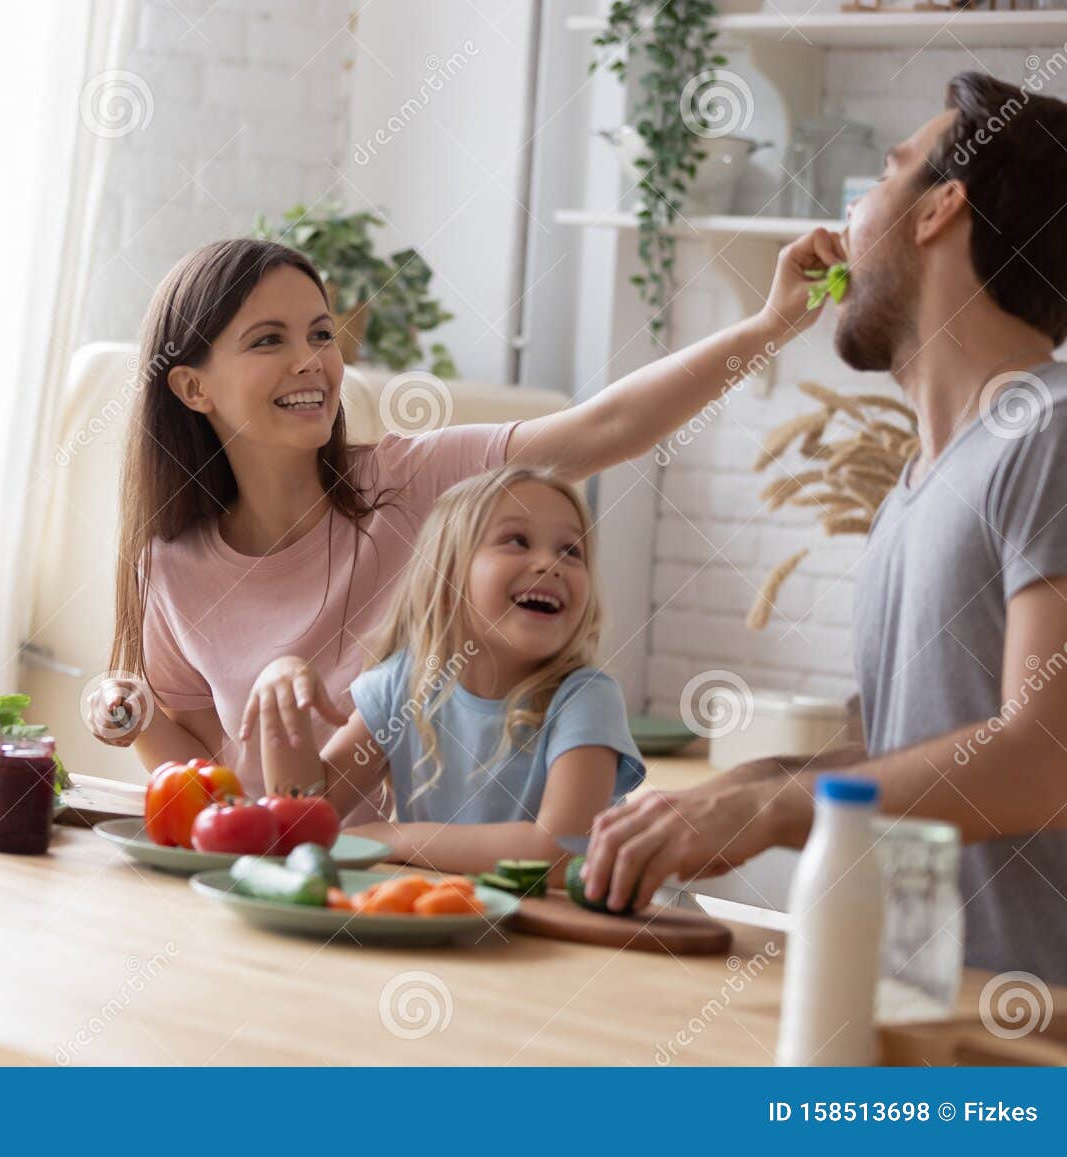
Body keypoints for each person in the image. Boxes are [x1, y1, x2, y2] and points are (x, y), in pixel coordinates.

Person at [582, 73, 1067, 985]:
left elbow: (1044, 756)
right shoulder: (922, 485)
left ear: (940, 210)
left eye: (884, 175)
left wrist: (774, 812)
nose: (847, 219)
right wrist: (746, 787)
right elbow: (914, 752)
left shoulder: (1051, 431)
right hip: (919, 1010)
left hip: (1032, 1031)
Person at [94, 231, 840, 818]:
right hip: (260, 866)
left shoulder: (414, 480)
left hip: (398, 869)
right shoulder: (171, 565)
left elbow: (606, 427)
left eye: (321, 334)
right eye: (269, 340)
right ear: (194, 387)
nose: (312, 362)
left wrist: (773, 323)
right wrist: (130, 716)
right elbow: (189, 758)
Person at [259, 465, 644, 875]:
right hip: (438, 921)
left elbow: (558, 851)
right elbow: (305, 817)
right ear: (446, 585)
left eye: (571, 550)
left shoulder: (585, 699)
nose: (550, 564)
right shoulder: (403, 685)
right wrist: (278, 698)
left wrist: (398, 837)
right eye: (517, 541)